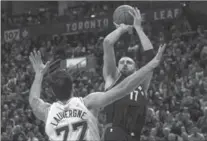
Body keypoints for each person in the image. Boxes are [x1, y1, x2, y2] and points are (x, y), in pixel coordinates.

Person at [28, 42, 165, 141]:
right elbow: (124, 88)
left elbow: (34, 101)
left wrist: (39, 75)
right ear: (73, 87)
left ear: (52, 92)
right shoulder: (87, 103)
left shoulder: (48, 112)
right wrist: (150, 66)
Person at [102, 7, 158, 141]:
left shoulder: (141, 83)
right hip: (114, 132)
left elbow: (151, 57)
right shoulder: (112, 77)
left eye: (129, 62)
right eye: (122, 62)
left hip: (134, 136)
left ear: (136, 68)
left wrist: (138, 28)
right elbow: (107, 43)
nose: (125, 64)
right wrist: (122, 29)